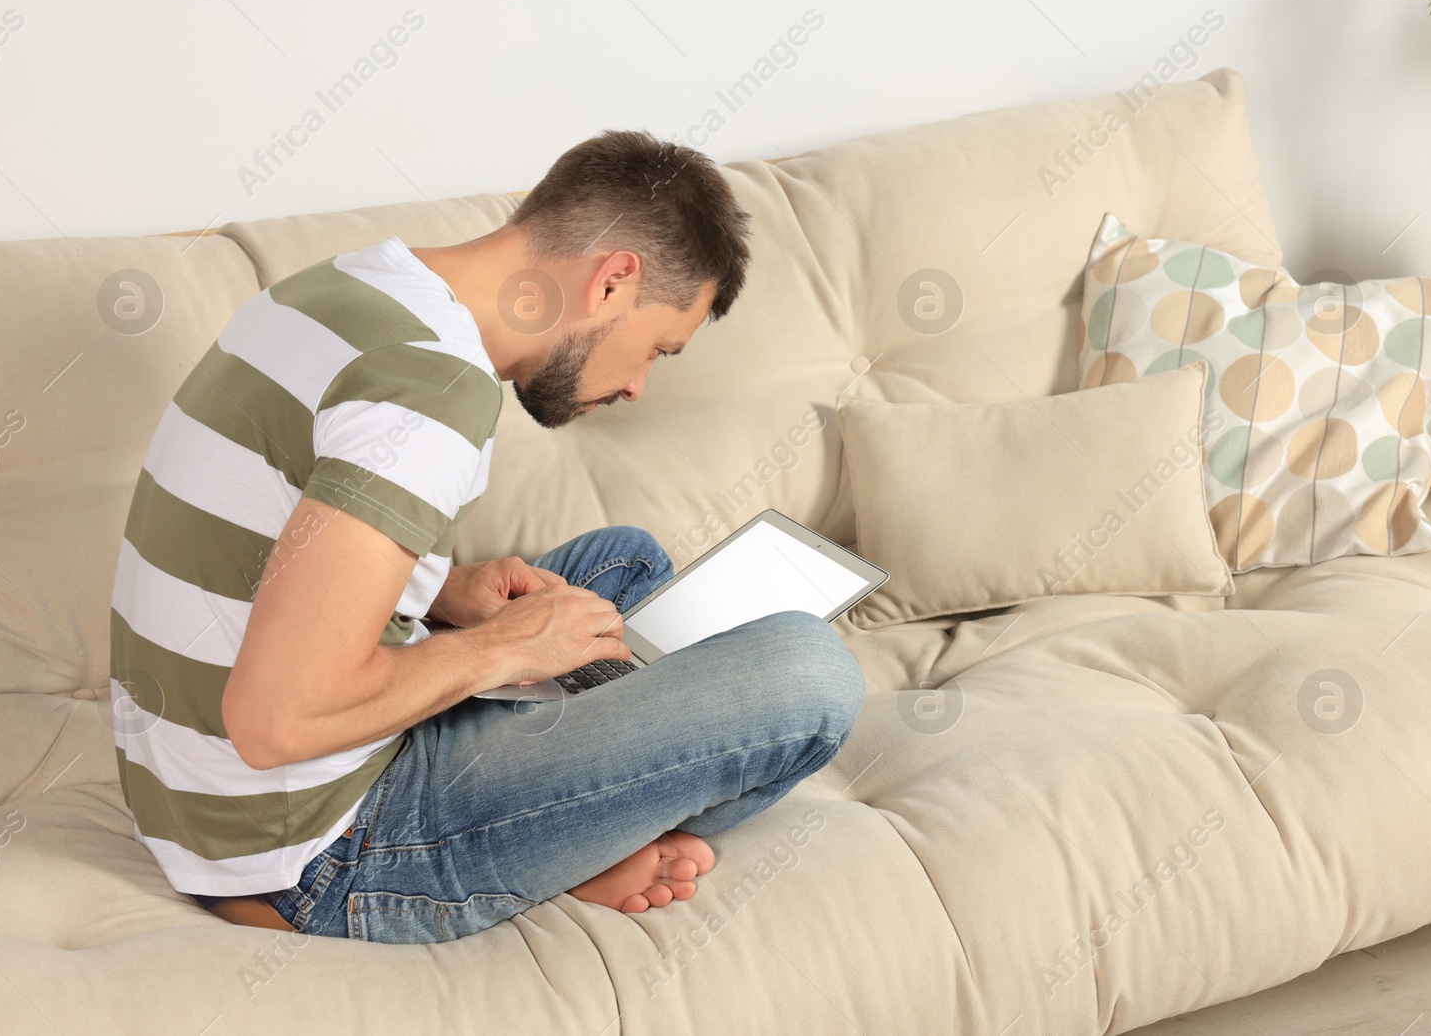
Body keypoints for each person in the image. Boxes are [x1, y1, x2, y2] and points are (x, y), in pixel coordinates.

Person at [109, 129, 867, 944]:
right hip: (310, 852)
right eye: (656, 347)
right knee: (810, 674)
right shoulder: (432, 390)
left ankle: (569, 793)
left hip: (189, 796)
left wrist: (436, 591)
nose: (639, 386)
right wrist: (502, 650)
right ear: (614, 281)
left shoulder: (344, 288)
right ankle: (573, 839)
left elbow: (261, 527)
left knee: (624, 561)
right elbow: (276, 721)